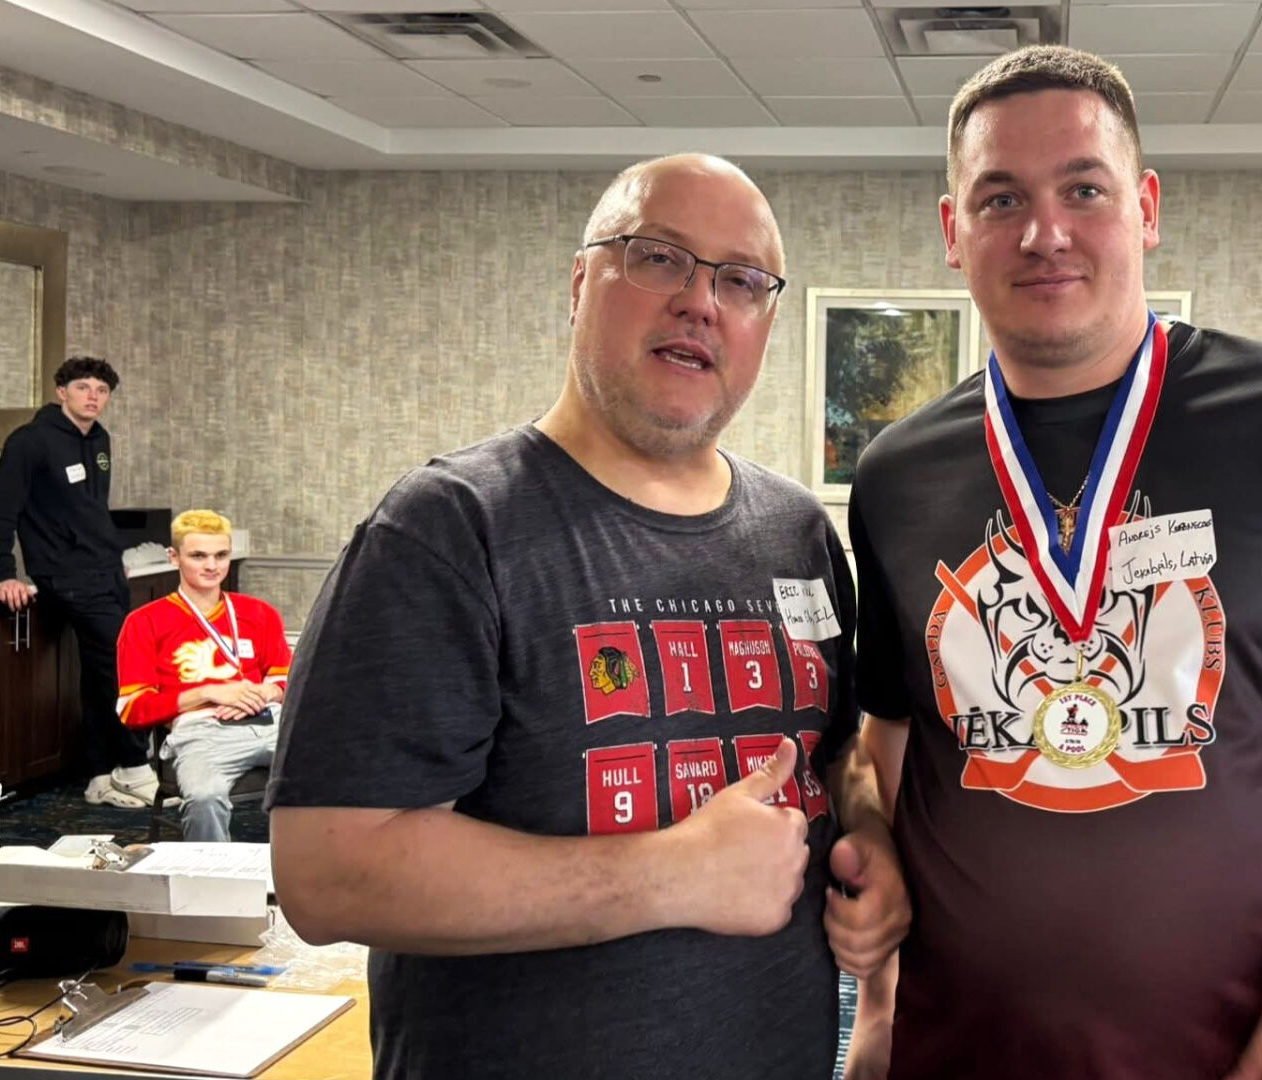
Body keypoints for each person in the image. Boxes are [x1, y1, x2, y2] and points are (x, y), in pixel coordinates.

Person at [845, 46, 1262, 1079]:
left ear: (1147, 208)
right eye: (1001, 198)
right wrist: (879, 1008)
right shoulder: (898, 475)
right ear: (954, 231)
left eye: (1084, 188)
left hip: (1253, 1055)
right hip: (963, 1050)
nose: (1044, 232)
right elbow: (896, 744)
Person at [266, 154, 906, 1080]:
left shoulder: (798, 531)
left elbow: (834, 748)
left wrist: (868, 831)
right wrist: (669, 876)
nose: (700, 302)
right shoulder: (449, 529)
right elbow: (327, 873)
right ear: (579, 284)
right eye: (659, 258)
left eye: (740, 280)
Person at [0, 355, 156, 808]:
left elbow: (91, 511)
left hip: (105, 571)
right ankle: (134, 766)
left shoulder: (100, 440)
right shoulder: (30, 442)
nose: (93, 397)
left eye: (102, 390)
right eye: (83, 387)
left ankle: (100, 775)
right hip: (65, 575)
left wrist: (114, 556)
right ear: (62, 391)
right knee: (122, 662)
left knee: (101, 673)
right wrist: (4, 573)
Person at [115, 511, 291, 841]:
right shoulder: (144, 622)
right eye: (198, 556)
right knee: (204, 798)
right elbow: (132, 709)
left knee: (340, 771)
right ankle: (211, 872)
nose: (212, 566)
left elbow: (288, 681)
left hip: (270, 721)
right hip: (202, 732)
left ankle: (324, 871)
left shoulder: (259, 613)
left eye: (220, 555)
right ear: (174, 557)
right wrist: (208, 692)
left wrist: (264, 692)